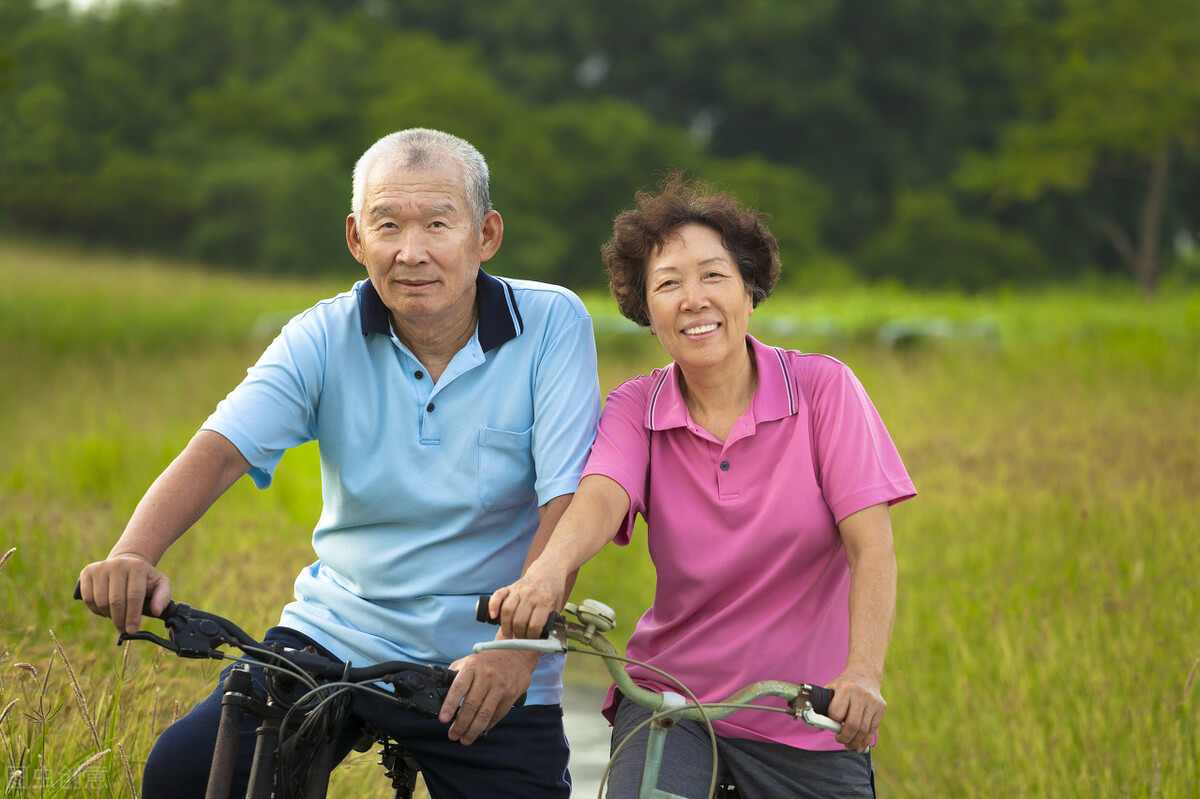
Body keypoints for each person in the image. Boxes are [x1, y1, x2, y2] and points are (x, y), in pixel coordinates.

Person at [77, 128, 601, 798]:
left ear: (486, 235)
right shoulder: (320, 335)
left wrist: (516, 647)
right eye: (388, 225)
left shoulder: (552, 323)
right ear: (357, 239)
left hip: (489, 655)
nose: (411, 252)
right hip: (336, 633)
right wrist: (132, 551)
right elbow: (216, 452)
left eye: (438, 224)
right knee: (185, 772)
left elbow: (567, 501)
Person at [491, 172, 916, 797]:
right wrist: (547, 572)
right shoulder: (637, 404)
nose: (693, 299)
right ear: (647, 310)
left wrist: (863, 673)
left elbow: (871, 547)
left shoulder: (824, 390)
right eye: (668, 284)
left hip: (801, 712)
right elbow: (604, 492)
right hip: (671, 701)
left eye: (713, 275)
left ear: (749, 290)